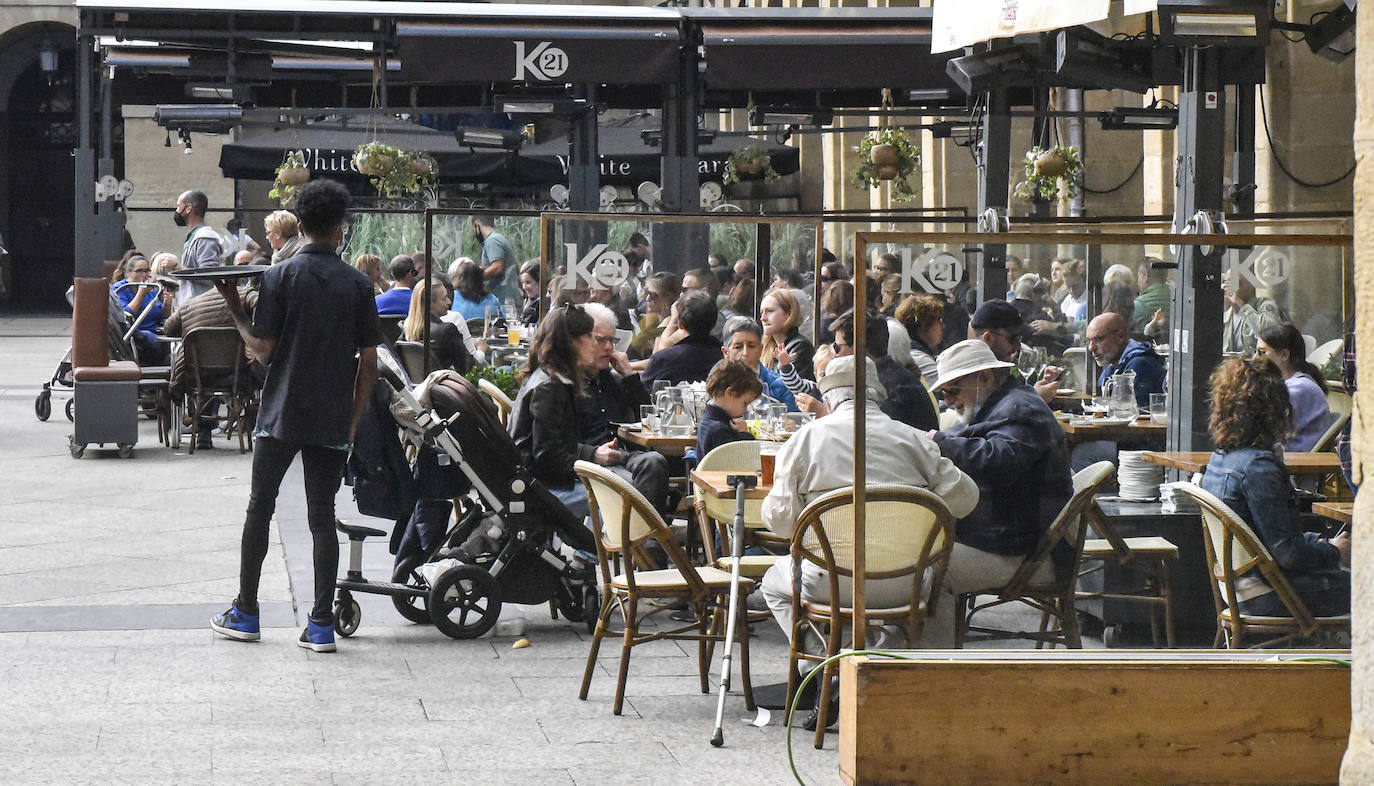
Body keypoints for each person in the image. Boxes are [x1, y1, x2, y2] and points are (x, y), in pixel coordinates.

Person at [209, 178, 382, 653]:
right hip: (330, 415)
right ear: (341, 228)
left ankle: (246, 613)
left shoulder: (279, 277)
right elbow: (369, 363)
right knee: (322, 517)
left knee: (258, 509)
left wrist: (232, 308)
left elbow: (262, 351)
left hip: (280, 412)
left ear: (300, 225)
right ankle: (321, 624)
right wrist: (352, 419)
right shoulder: (359, 284)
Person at [759, 355, 978, 647]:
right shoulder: (914, 440)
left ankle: (820, 664)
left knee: (772, 585)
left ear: (828, 397)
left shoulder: (804, 440)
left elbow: (782, 523)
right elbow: (966, 499)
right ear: (877, 394)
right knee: (938, 590)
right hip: (904, 583)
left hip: (828, 581)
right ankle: (893, 665)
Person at [925, 339, 1073, 635]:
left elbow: (999, 459)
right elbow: (970, 440)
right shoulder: (1004, 404)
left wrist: (938, 443)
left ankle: (933, 671)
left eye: (953, 390)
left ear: (985, 378)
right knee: (916, 559)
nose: (949, 400)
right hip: (1010, 536)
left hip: (1022, 550)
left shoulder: (1020, 409)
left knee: (923, 576)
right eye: (944, 393)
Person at [1201, 358, 1350, 617]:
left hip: (1238, 590)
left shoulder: (1220, 458)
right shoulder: (1259, 467)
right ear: (1274, 409)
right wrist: (1334, 551)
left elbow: (1274, 539)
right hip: (1274, 595)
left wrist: (1327, 544)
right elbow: (1289, 554)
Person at [508, 305, 603, 519]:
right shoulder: (550, 387)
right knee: (618, 498)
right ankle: (592, 552)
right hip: (539, 488)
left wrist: (591, 457)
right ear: (570, 342)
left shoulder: (546, 377)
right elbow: (546, 455)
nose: (594, 342)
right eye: (589, 336)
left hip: (534, 481)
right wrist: (590, 471)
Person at [576, 302, 671, 514]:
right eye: (600, 340)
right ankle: (637, 542)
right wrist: (592, 453)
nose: (609, 348)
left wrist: (630, 377)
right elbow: (553, 446)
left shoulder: (612, 380)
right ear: (579, 341)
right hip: (587, 464)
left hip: (622, 457)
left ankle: (643, 540)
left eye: (612, 341)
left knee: (655, 463)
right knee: (644, 478)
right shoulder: (565, 384)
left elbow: (651, 419)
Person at [163, 281, 262, 448]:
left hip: (198, 376)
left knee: (205, 371)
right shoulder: (246, 295)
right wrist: (255, 337)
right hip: (239, 374)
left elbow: (168, 329)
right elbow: (264, 306)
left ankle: (203, 432)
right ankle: (258, 423)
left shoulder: (190, 304)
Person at [830, 309, 938, 431]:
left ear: (857, 347)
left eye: (837, 347)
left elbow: (873, 435)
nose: (835, 355)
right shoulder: (892, 376)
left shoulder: (883, 387)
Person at [1257, 323, 1332, 452]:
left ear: (1284, 355)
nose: (1255, 358)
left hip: (1294, 466)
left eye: (1262, 352)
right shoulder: (1295, 385)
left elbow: (1261, 429)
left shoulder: (1299, 389)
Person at [969, 299, 1061, 402]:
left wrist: (1037, 390)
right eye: (1013, 339)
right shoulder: (971, 378)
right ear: (988, 338)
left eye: (1019, 339)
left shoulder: (998, 371)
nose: (1018, 346)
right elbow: (993, 414)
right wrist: (1034, 399)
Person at [642, 290, 723, 386]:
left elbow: (644, 394)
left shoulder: (663, 359)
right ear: (714, 323)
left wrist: (673, 318)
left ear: (680, 325)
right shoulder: (723, 358)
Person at [1086, 312, 1166, 405]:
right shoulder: (1111, 367)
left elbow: (1136, 412)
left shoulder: (1140, 365)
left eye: (1098, 339)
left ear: (1120, 336)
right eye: (1089, 341)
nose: (1091, 348)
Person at [721, 317, 798, 411]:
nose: (745, 353)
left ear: (761, 350)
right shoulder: (718, 384)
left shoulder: (782, 386)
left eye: (751, 346)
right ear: (726, 352)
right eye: (738, 347)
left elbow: (794, 422)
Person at [697, 359, 763, 459]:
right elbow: (744, 460)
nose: (746, 410)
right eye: (745, 403)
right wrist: (744, 434)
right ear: (730, 393)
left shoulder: (709, 420)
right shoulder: (720, 430)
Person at [404, 279, 472, 373]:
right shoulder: (447, 330)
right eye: (444, 298)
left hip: (420, 386)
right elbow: (469, 367)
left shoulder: (407, 330)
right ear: (430, 303)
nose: (449, 302)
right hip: (449, 385)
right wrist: (481, 351)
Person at [172, 190, 223, 309]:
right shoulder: (196, 236)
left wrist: (178, 268)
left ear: (188, 208)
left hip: (200, 308)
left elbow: (209, 276)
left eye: (178, 206)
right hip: (192, 306)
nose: (176, 211)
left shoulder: (205, 237)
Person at [760, 288, 815, 389]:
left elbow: (786, 390)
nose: (763, 318)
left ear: (789, 314)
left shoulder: (800, 346)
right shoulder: (765, 347)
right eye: (761, 312)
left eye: (769, 311)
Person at [1223, 270, 1286, 356]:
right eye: (1227, 282)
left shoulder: (1264, 305)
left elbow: (1271, 332)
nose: (1231, 287)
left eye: (1236, 283)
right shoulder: (1226, 314)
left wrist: (1241, 304)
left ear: (1250, 286)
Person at [895, 292, 944, 383]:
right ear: (924, 325)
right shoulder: (919, 359)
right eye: (939, 320)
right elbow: (943, 390)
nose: (942, 326)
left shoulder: (911, 352)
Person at [473, 215, 517, 302]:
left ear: (477, 225)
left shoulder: (492, 240)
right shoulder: (497, 238)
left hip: (502, 297)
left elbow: (497, 268)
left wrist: (475, 278)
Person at [1133, 259, 1170, 334]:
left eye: (1138, 276)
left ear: (1146, 276)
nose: (1138, 281)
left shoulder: (1138, 305)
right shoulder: (1177, 298)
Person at [517, 259, 545, 323]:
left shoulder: (545, 304)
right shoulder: (527, 300)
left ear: (539, 282)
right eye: (522, 282)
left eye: (528, 282)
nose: (524, 287)